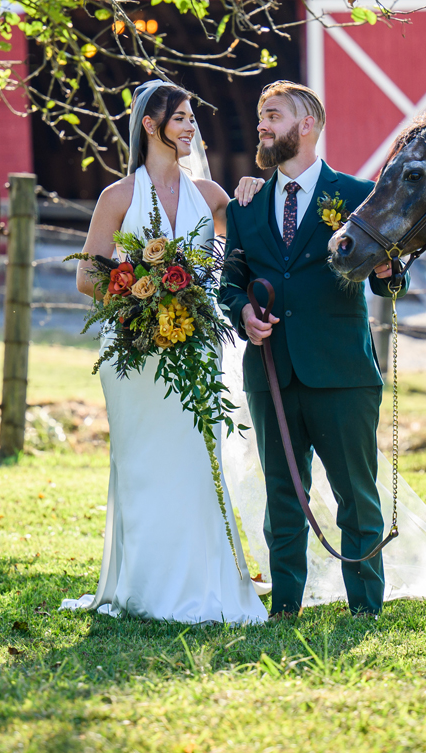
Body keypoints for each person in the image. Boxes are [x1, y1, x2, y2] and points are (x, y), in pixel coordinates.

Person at [60, 80, 267, 624]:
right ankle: (146, 588)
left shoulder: (211, 195)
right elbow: (86, 276)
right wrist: (140, 299)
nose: (190, 126)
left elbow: (253, 241)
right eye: (180, 118)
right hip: (134, 353)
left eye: (192, 117)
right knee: (145, 465)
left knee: (198, 462)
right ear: (151, 126)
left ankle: (202, 583)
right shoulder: (118, 197)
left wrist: (252, 187)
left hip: (195, 344)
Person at [218, 81, 409, 619]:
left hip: (343, 371)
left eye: (273, 115)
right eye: (260, 115)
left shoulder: (358, 196)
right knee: (283, 496)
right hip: (271, 373)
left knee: (356, 495)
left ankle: (365, 606)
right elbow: (230, 283)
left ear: (307, 126)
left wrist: (389, 270)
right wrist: (243, 313)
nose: (262, 125)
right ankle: (285, 606)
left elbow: (390, 284)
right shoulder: (245, 207)